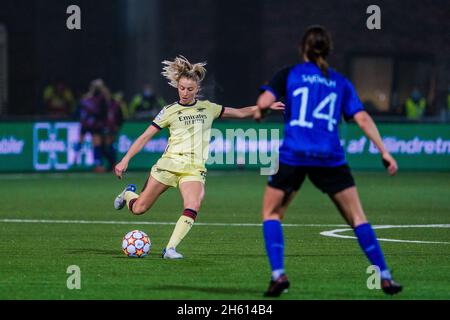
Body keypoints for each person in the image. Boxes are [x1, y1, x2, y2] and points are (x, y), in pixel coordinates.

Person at [254, 25, 402, 297]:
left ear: (303, 49)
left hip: (294, 155)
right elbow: (363, 118)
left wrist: (261, 112)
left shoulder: (289, 74)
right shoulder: (340, 82)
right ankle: (384, 275)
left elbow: (264, 101)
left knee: (272, 213)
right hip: (329, 157)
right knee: (357, 218)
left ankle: (278, 275)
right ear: (328, 50)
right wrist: (384, 151)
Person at [113, 55, 283, 259]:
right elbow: (144, 137)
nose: (185, 93)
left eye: (190, 89)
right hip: (168, 166)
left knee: (193, 204)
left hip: (193, 169)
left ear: (197, 89)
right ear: (177, 86)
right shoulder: (169, 111)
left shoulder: (208, 108)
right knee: (139, 209)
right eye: (182, 88)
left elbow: (239, 113)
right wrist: (125, 160)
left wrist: (263, 107)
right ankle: (128, 194)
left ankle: (170, 249)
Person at [76, 79, 110, 172]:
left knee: (96, 143)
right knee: (84, 141)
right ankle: (74, 161)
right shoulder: (90, 97)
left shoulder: (99, 97)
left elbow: (106, 101)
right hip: (90, 123)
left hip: (93, 123)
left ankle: (97, 165)